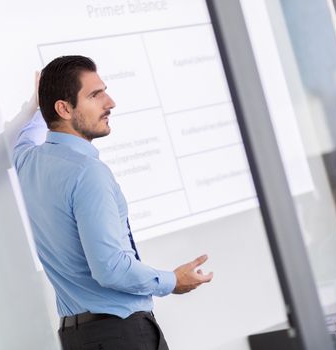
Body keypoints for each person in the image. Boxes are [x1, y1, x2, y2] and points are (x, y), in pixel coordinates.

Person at [12, 55, 213, 350]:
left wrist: (36, 104)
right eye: (95, 95)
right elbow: (110, 269)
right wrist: (172, 281)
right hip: (122, 336)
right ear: (64, 108)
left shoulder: (27, 161)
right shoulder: (87, 173)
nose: (110, 102)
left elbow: (25, 135)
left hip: (76, 338)